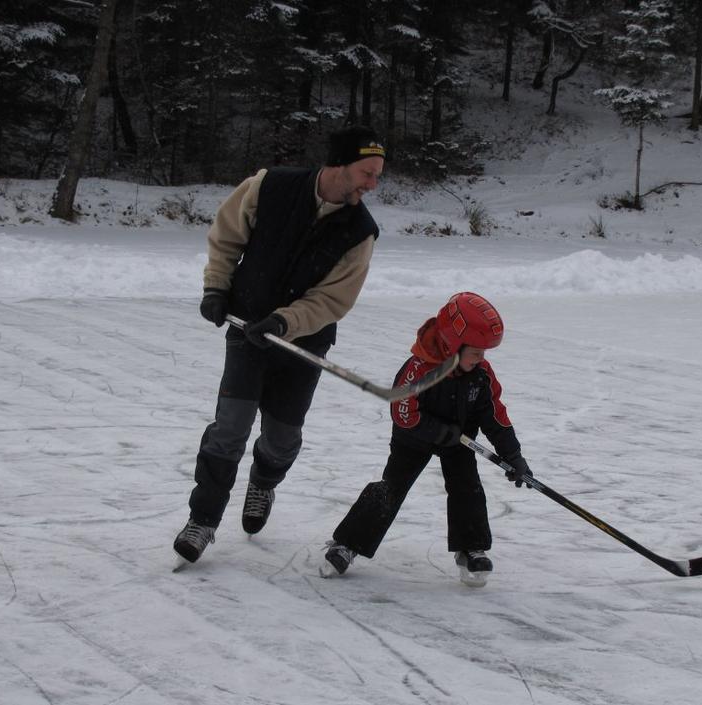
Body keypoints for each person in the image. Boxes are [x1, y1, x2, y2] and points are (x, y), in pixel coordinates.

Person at [173, 125, 386, 564]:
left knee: (281, 439)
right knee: (229, 428)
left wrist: (285, 321)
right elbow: (227, 235)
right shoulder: (268, 185)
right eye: (367, 173)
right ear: (338, 165)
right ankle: (203, 520)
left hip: (302, 343)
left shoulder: (361, 230)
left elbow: (333, 299)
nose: (372, 184)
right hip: (248, 330)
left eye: (377, 175)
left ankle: (263, 483)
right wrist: (217, 288)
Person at [319, 292, 533, 586]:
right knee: (390, 488)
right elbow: (403, 413)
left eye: (484, 353)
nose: (482, 359)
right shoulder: (420, 368)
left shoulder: (481, 374)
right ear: (453, 345)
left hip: (459, 442)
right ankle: (347, 544)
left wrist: (514, 456)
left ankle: (470, 548)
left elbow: (495, 415)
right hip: (413, 439)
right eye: (476, 352)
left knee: (467, 487)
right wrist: (438, 431)